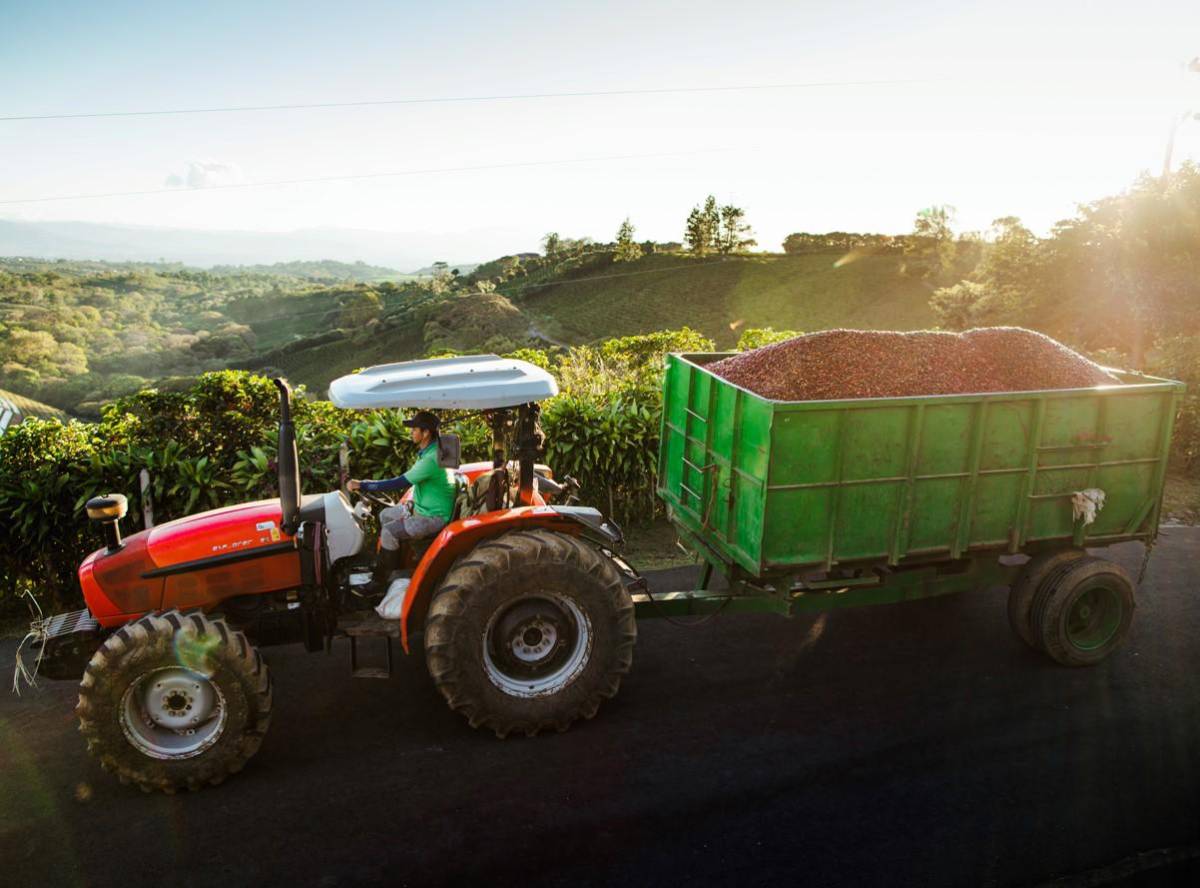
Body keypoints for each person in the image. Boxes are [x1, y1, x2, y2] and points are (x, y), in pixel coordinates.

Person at [347, 410, 456, 595]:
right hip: (423, 508)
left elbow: (399, 483)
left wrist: (363, 485)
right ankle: (393, 565)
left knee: (389, 531)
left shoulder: (430, 459)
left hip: (433, 517)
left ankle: (379, 584)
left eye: (414, 429)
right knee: (385, 515)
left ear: (426, 433)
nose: (411, 433)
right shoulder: (429, 452)